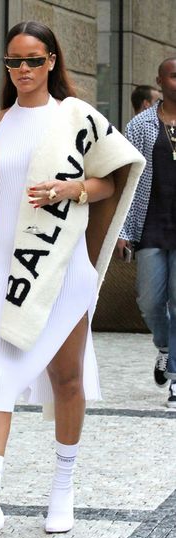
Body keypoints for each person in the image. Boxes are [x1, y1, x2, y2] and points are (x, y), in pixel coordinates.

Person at [0, 20, 145, 538]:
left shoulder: (77, 118)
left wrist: (72, 187)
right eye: (13, 62)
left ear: (50, 62)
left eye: (31, 60)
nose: (21, 70)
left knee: (67, 379)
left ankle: (62, 487)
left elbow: (111, 180)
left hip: (59, 269)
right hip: (3, 268)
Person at [118, 56, 176, 407]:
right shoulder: (140, 126)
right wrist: (123, 228)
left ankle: (174, 377)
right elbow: (127, 180)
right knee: (151, 300)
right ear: (159, 80)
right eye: (174, 75)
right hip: (151, 225)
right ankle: (165, 345)